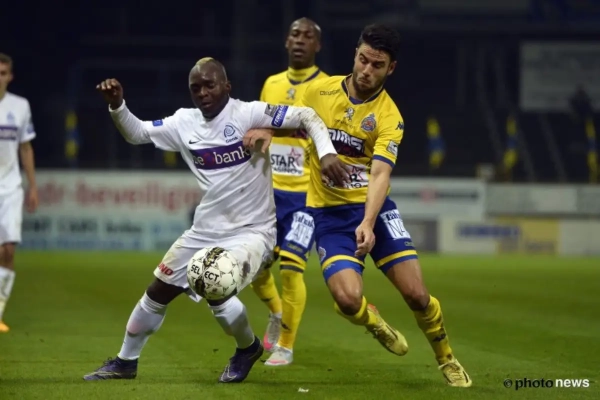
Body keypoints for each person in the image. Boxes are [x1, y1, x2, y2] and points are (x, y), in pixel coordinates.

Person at [83, 58, 348, 383]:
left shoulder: (249, 113)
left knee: (214, 283)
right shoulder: (184, 122)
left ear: (226, 86)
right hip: (205, 230)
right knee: (157, 292)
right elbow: (137, 133)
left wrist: (327, 153)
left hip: (253, 232)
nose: (203, 93)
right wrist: (117, 105)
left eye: (210, 85)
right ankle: (126, 361)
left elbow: (307, 116)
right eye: (196, 88)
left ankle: (246, 348)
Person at [244, 24, 472, 387]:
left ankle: (447, 358)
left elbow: (380, 174)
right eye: (363, 60)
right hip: (329, 216)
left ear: (390, 68)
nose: (367, 70)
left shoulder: (389, 116)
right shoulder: (319, 92)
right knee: (349, 301)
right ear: (355, 54)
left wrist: (367, 221)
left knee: (416, 294)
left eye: (377, 65)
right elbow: (293, 123)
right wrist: (268, 130)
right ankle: (374, 322)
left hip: (375, 212)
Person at [251, 17, 328, 366]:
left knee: (291, 268)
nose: (300, 40)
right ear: (286, 41)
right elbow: (262, 133)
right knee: (255, 268)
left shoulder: (328, 88)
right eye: (295, 34)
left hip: (306, 197)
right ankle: (277, 311)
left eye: (308, 36)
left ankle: (285, 345)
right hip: (270, 195)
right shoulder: (271, 84)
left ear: (317, 46)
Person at [0, 53, 39, 333]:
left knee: (8, 250)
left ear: (10, 76)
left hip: (11, 186)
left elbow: (25, 147)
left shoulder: (20, 106)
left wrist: (32, 186)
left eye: (3, 73)